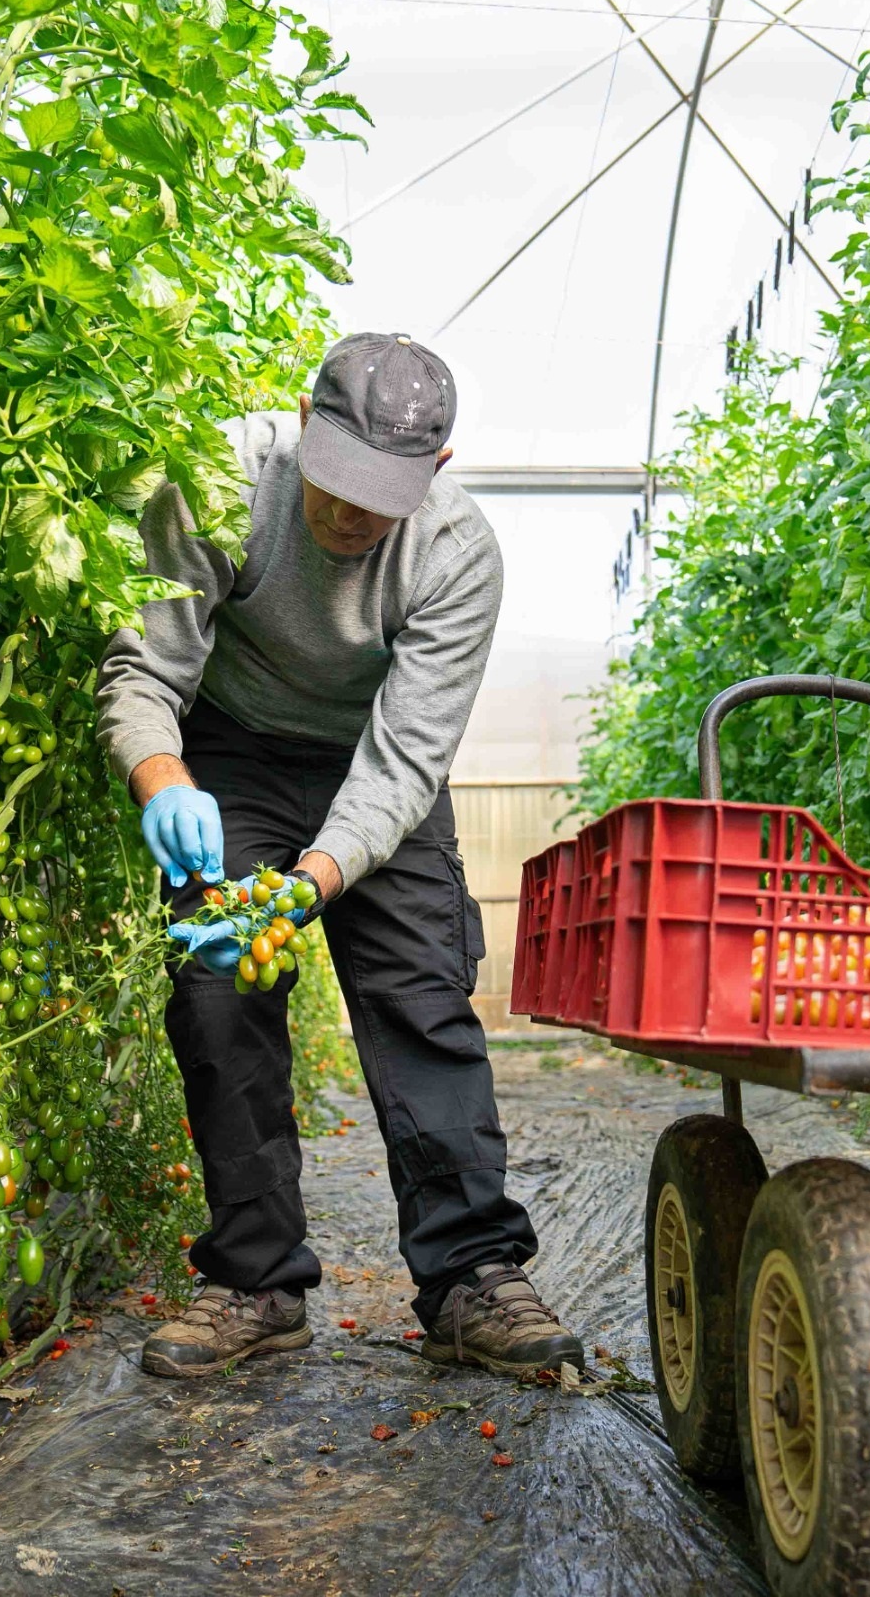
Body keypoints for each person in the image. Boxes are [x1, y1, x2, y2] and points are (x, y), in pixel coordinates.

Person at [97, 332, 585, 1381]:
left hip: (376, 759)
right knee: (217, 991)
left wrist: (313, 879)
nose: (352, 513)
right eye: (336, 480)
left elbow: (405, 758)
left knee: (420, 991)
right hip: (230, 746)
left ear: (436, 472)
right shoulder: (221, 484)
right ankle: (255, 1282)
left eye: (384, 493)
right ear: (305, 428)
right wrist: (165, 779)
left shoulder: (457, 554)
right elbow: (143, 670)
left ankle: (470, 1278)